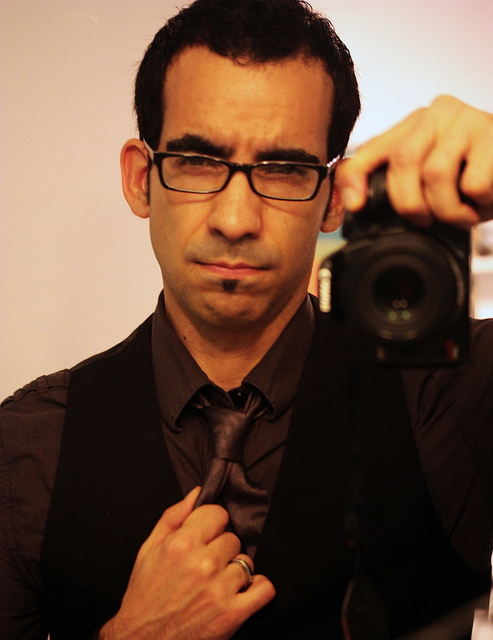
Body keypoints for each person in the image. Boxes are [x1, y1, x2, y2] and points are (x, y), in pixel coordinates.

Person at [1, 0, 493, 638]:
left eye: (285, 169)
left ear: (333, 199)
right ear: (141, 180)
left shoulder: (455, 398)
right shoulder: (25, 445)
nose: (236, 220)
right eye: (198, 162)